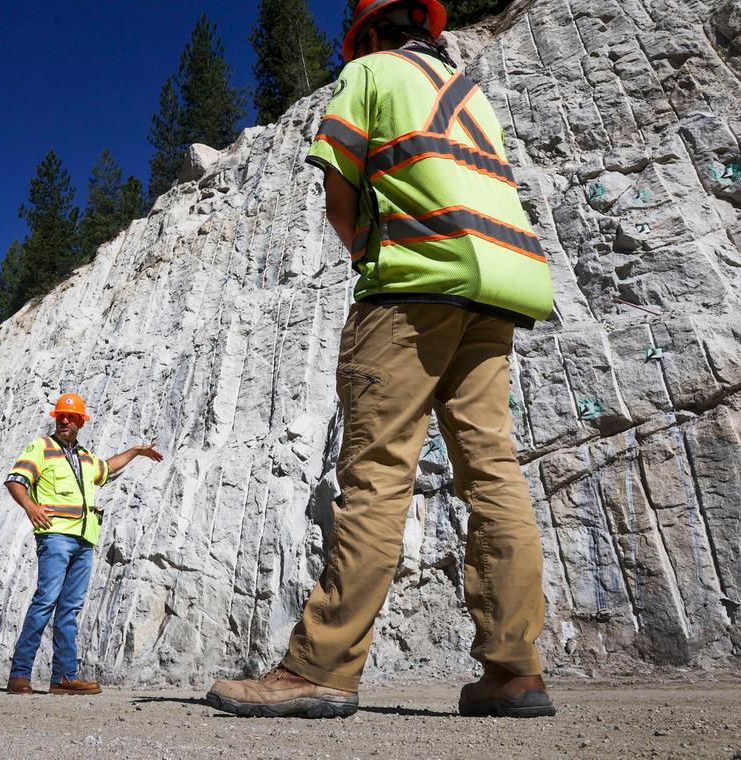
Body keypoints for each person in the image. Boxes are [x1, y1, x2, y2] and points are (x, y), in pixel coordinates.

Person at [206, 0, 557, 719]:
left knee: (376, 474)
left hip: (416, 287)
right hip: (502, 285)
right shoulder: (469, 94)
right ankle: (514, 671)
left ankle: (320, 667)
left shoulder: (371, 72)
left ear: (367, 34)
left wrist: (369, 254)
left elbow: (340, 189)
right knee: (492, 471)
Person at [4, 392, 163, 695]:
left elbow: (108, 467)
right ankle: (20, 675)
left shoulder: (86, 457)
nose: (65, 421)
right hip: (55, 536)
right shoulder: (42, 447)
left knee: (70, 609)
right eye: (61, 416)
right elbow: (16, 479)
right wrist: (30, 507)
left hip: (84, 540)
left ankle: (64, 678)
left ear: (80, 422)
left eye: (71, 417)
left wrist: (136, 451)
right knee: (45, 602)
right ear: (56, 419)